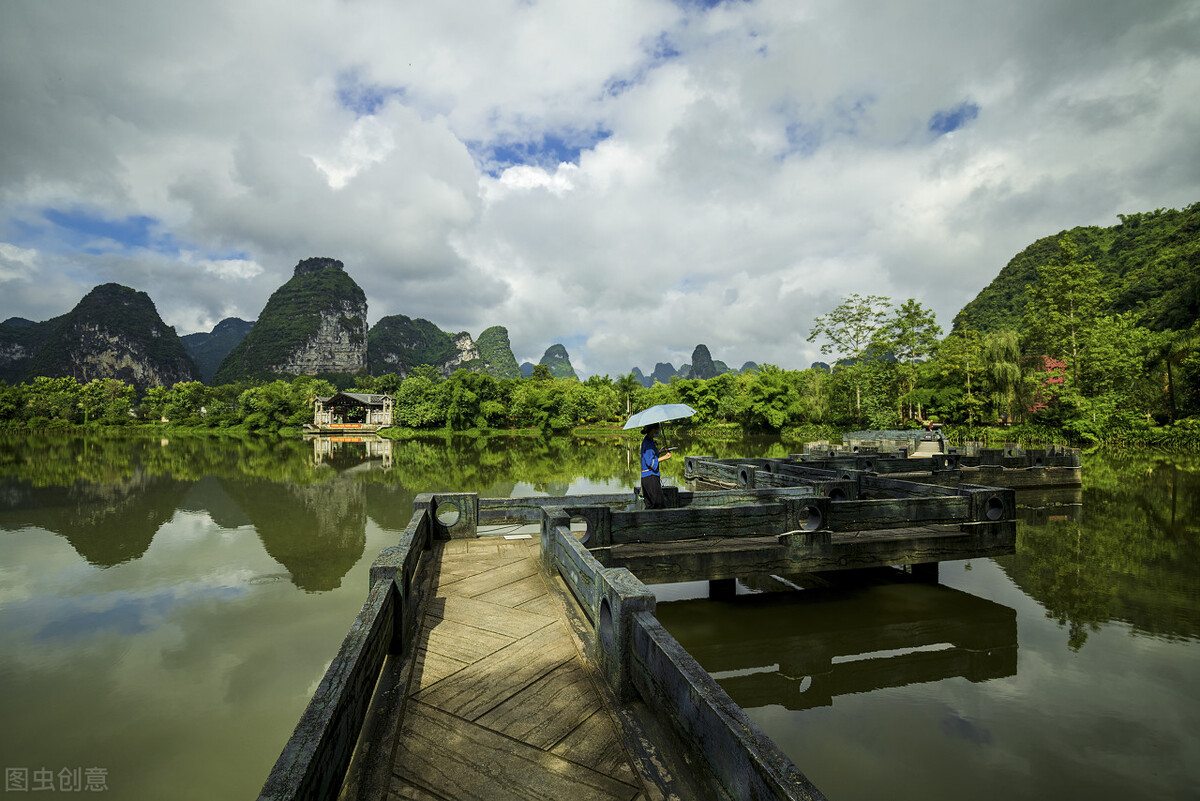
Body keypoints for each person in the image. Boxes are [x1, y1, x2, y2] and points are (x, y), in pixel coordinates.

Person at [640, 423, 672, 509]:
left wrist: (659, 452)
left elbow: (650, 455)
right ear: (653, 430)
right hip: (650, 478)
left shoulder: (649, 441)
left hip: (648, 478)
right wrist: (665, 457)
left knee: (651, 506)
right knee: (658, 505)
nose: (658, 432)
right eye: (657, 430)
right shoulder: (648, 444)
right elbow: (650, 462)